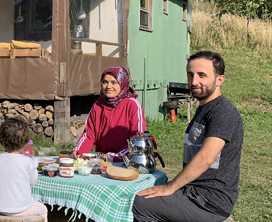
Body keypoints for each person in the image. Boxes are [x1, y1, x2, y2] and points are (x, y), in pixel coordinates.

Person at [132, 51, 244, 222]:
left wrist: (169, 188)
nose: (194, 82)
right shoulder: (204, 108)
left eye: (202, 75)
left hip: (209, 202)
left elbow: (206, 158)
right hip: (193, 193)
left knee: (137, 204)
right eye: (190, 75)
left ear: (219, 80)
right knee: (139, 192)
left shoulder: (222, 112)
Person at [72, 66, 145, 161]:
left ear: (123, 83)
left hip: (125, 162)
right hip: (102, 161)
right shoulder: (97, 107)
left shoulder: (132, 105)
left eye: (114, 82)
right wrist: (80, 150)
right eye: (105, 82)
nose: (108, 86)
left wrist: (115, 156)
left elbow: (137, 139)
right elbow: (89, 134)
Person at [0, 117, 48, 221]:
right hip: (21, 208)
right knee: (43, 209)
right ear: (25, 142)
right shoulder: (28, 162)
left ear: (1, 141)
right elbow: (33, 182)